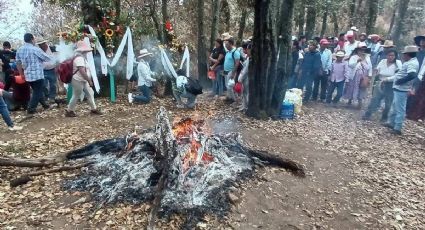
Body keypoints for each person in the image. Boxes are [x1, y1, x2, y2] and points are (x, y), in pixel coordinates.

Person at [383, 46, 420, 135]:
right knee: (395, 106)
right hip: (399, 88)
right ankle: (391, 123)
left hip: (402, 89)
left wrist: (400, 81)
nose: (403, 55)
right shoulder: (410, 62)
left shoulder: (411, 64)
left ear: (407, 54)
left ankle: (397, 128)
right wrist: (388, 79)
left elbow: (412, 75)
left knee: (400, 109)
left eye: (404, 54)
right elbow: (400, 75)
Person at [16, 33, 52, 114]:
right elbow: (46, 58)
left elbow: (18, 63)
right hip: (37, 75)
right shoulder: (35, 49)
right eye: (34, 39)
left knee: (37, 90)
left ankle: (44, 105)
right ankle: (31, 108)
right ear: (32, 39)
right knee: (37, 91)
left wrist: (21, 74)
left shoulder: (19, 49)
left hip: (28, 75)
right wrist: (55, 57)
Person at [362, 50, 402, 122]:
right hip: (380, 81)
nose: (390, 57)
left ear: (395, 56)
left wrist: (388, 79)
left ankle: (384, 117)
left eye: (392, 55)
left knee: (388, 102)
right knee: (375, 99)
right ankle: (368, 114)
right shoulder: (383, 61)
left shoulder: (398, 63)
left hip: (390, 84)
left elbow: (398, 75)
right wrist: (375, 72)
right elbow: (377, 69)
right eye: (389, 55)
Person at [65, 41, 102, 117]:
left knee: (90, 93)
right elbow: (82, 71)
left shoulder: (81, 57)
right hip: (77, 79)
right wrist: (89, 80)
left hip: (83, 79)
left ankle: (93, 108)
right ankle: (69, 110)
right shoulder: (79, 58)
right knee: (76, 95)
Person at [343, 42, 372, 109]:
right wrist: (357, 61)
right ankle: (350, 100)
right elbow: (350, 65)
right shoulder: (354, 57)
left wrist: (370, 75)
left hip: (364, 75)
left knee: (362, 88)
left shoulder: (367, 58)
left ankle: (360, 103)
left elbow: (370, 67)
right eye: (360, 50)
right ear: (357, 50)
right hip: (355, 75)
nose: (362, 51)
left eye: (363, 50)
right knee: (352, 87)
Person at [37, 39, 59, 104]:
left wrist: (57, 67)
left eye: (42, 44)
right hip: (42, 70)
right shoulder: (38, 51)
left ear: (45, 43)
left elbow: (58, 59)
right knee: (43, 84)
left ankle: (52, 97)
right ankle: (46, 97)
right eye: (40, 45)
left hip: (52, 69)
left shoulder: (53, 49)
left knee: (53, 85)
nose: (41, 46)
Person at [222, 37, 241, 103]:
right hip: (226, 71)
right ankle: (229, 97)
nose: (226, 46)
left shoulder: (235, 52)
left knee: (230, 86)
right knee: (227, 86)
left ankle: (234, 100)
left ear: (231, 44)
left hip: (231, 71)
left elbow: (237, 63)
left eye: (227, 44)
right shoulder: (228, 52)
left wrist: (233, 73)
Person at [238, 42, 251, 111]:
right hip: (245, 78)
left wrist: (240, 78)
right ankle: (244, 105)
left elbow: (245, 70)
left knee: (247, 93)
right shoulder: (247, 58)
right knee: (244, 93)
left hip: (247, 78)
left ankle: (247, 107)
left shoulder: (250, 59)